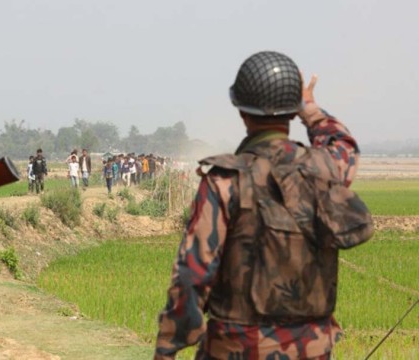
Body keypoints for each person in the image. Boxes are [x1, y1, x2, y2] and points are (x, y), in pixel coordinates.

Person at [154, 51, 373, 359]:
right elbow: (343, 145)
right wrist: (309, 107)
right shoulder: (324, 169)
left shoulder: (225, 180)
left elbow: (193, 274)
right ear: (291, 112)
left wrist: (167, 348)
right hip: (312, 350)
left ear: (241, 111)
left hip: (237, 349)